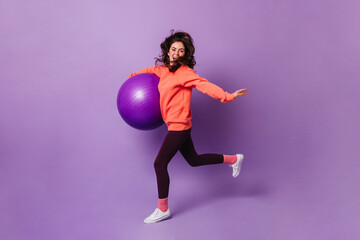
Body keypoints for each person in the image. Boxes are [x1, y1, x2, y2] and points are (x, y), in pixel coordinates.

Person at [127, 30, 248, 223]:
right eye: (173, 49)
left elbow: (205, 85)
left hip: (179, 126)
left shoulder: (186, 74)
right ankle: (234, 159)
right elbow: (144, 74)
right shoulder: (162, 71)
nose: (175, 53)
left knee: (159, 164)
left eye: (180, 51)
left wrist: (228, 96)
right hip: (175, 126)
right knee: (194, 159)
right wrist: (131, 79)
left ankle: (163, 209)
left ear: (185, 54)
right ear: (168, 51)